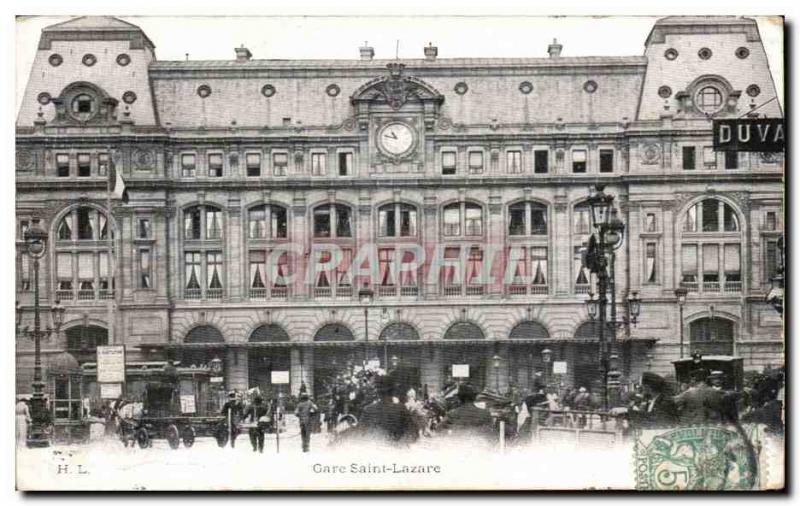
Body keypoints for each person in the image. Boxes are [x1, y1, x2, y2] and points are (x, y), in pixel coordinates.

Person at [357, 376, 418, 446]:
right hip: (397, 452)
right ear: (393, 391)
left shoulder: (368, 410)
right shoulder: (401, 410)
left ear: (377, 392)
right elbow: (413, 436)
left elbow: (360, 435)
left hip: (375, 451)